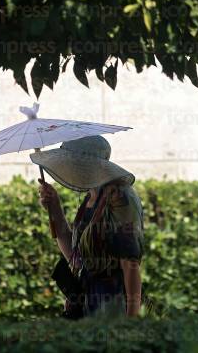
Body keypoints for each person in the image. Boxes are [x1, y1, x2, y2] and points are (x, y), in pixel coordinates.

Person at [31, 135, 144, 318]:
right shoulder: (91, 196)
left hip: (112, 305)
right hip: (86, 304)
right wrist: (55, 208)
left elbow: (130, 263)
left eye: (73, 162)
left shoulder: (119, 197)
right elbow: (76, 257)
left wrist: (131, 321)